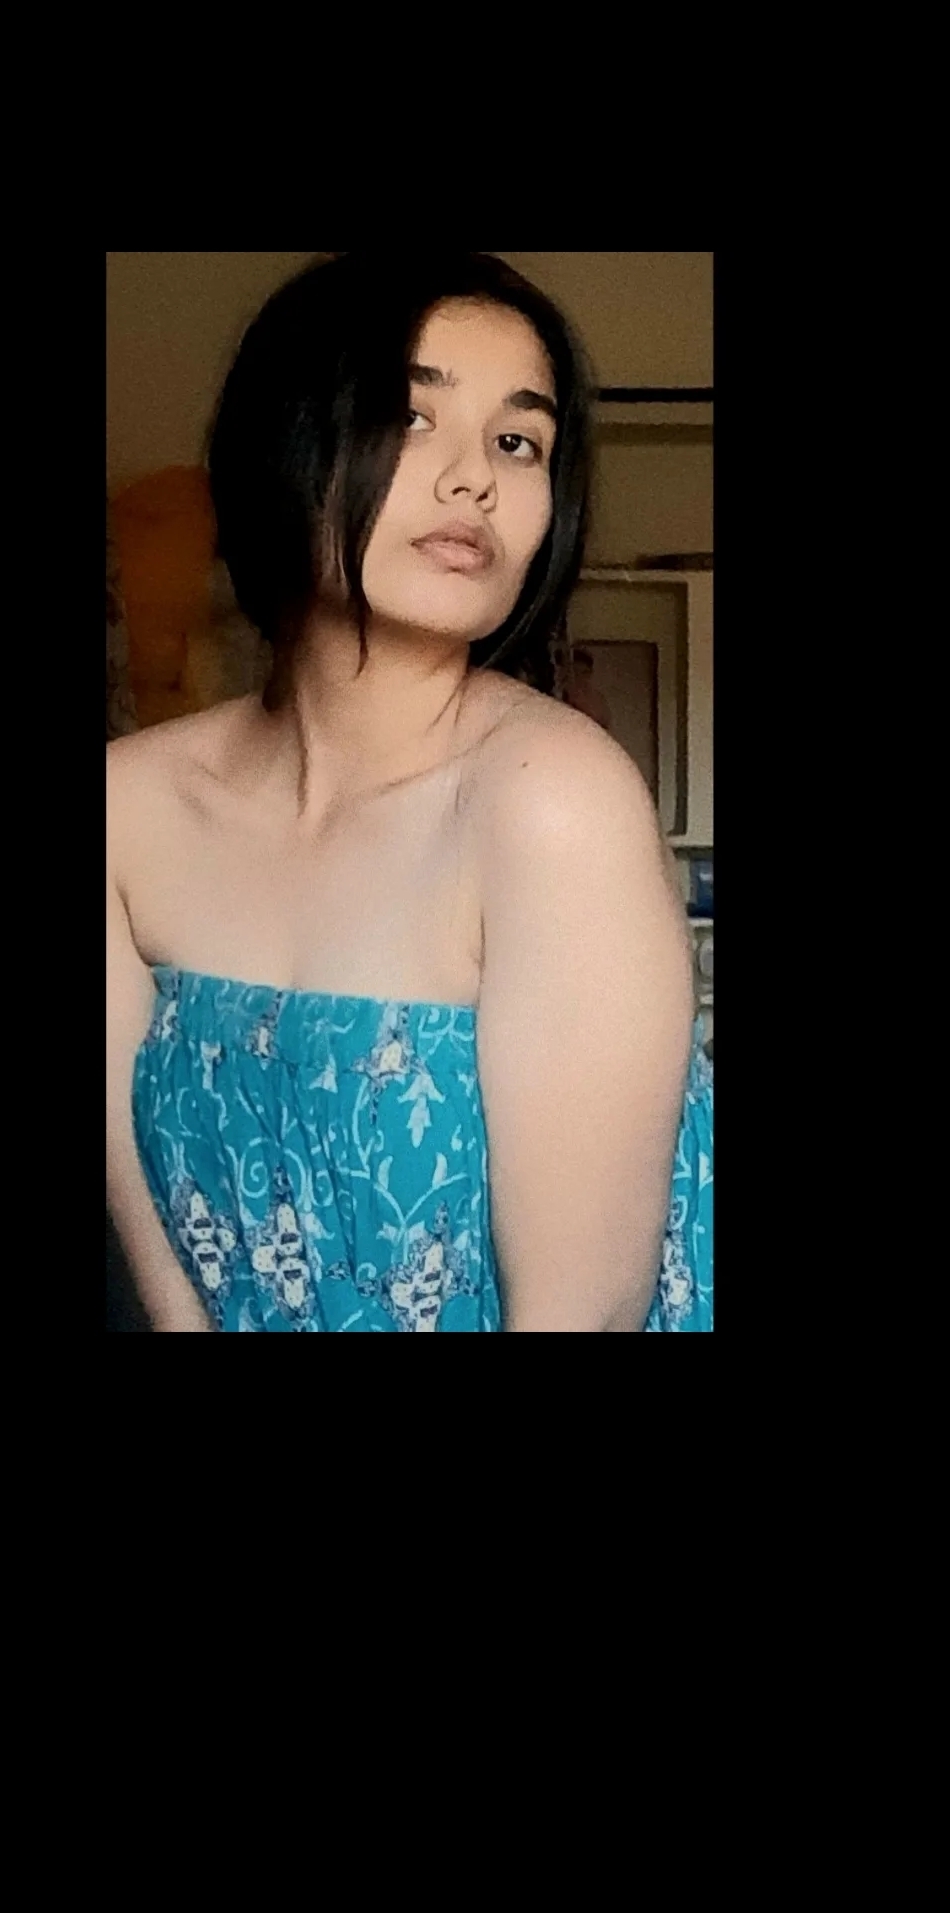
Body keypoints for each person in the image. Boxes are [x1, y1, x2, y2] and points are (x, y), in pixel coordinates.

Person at [106, 252, 713, 1332]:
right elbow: (165, 1291)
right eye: (411, 417)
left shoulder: (551, 803)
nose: (476, 477)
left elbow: (582, 1316)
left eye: (518, 442)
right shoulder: (124, 810)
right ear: (283, 442)